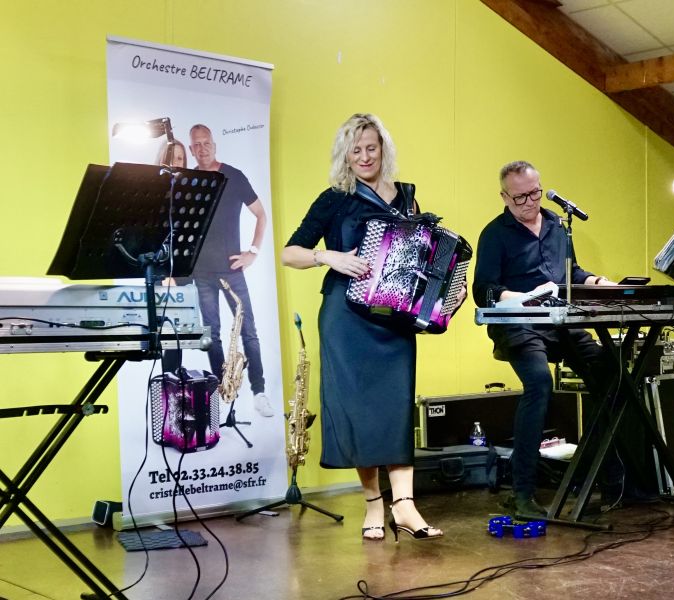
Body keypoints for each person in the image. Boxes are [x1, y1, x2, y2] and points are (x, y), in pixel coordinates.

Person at [282, 113, 464, 541]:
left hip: (394, 320)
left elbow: (420, 259)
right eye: (356, 150)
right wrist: (328, 257)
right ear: (345, 155)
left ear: (383, 149)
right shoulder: (335, 199)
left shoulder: (407, 199)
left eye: (371, 148)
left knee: (395, 409)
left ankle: (405, 505)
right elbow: (290, 252)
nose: (364, 157)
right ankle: (373, 505)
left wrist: (442, 295)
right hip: (346, 320)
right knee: (360, 413)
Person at [472, 160, 612, 518]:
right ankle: (522, 492)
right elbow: (483, 290)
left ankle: (598, 478)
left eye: (534, 193)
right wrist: (525, 297)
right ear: (505, 197)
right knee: (539, 383)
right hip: (519, 325)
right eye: (519, 197)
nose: (529, 202)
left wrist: (598, 283)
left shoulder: (557, 226)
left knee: (611, 374)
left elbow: (572, 272)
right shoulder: (494, 234)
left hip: (560, 322)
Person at [169, 124, 273, 418]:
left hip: (231, 270)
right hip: (200, 273)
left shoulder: (234, 176)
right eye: (197, 145)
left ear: (214, 145)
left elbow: (261, 215)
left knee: (249, 331)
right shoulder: (187, 180)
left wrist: (252, 252)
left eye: (206, 143)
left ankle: (259, 392)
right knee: (211, 335)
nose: (202, 149)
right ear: (191, 150)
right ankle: (224, 392)